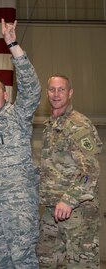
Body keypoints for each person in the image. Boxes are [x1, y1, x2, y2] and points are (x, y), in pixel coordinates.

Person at [0, 19, 41, 268]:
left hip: (18, 205)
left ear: (5, 94)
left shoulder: (18, 114)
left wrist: (12, 44)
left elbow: (32, 88)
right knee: (1, 260)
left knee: (23, 259)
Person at [37, 75, 103, 268]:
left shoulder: (78, 124)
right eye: (52, 89)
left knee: (81, 263)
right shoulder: (51, 126)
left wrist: (69, 199)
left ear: (70, 93)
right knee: (46, 259)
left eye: (61, 89)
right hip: (53, 209)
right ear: (47, 93)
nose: (56, 94)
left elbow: (90, 170)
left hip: (78, 210)